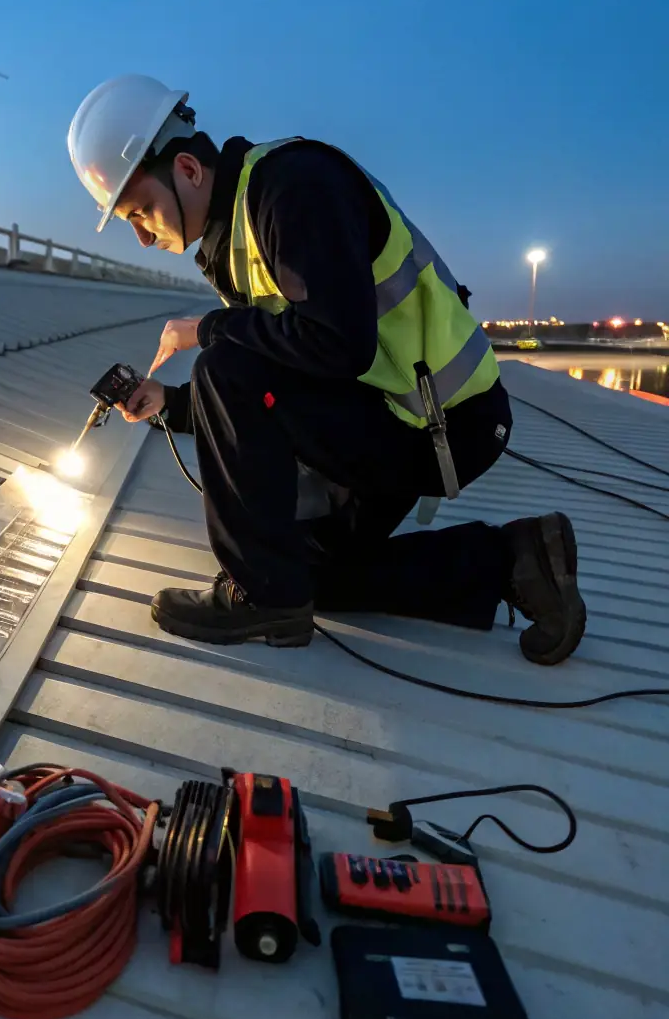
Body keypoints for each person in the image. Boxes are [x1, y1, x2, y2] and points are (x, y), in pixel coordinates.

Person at [67, 74, 586, 663]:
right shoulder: (235, 231)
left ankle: (259, 595)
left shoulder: (292, 189)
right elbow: (283, 373)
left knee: (224, 362)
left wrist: (207, 328)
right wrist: (173, 402)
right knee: (310, 575)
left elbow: (337, 346)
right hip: (394, 416)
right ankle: (517, 559)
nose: (142, 236)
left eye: (143, 211)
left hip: (443, 425)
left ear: (187, 169)